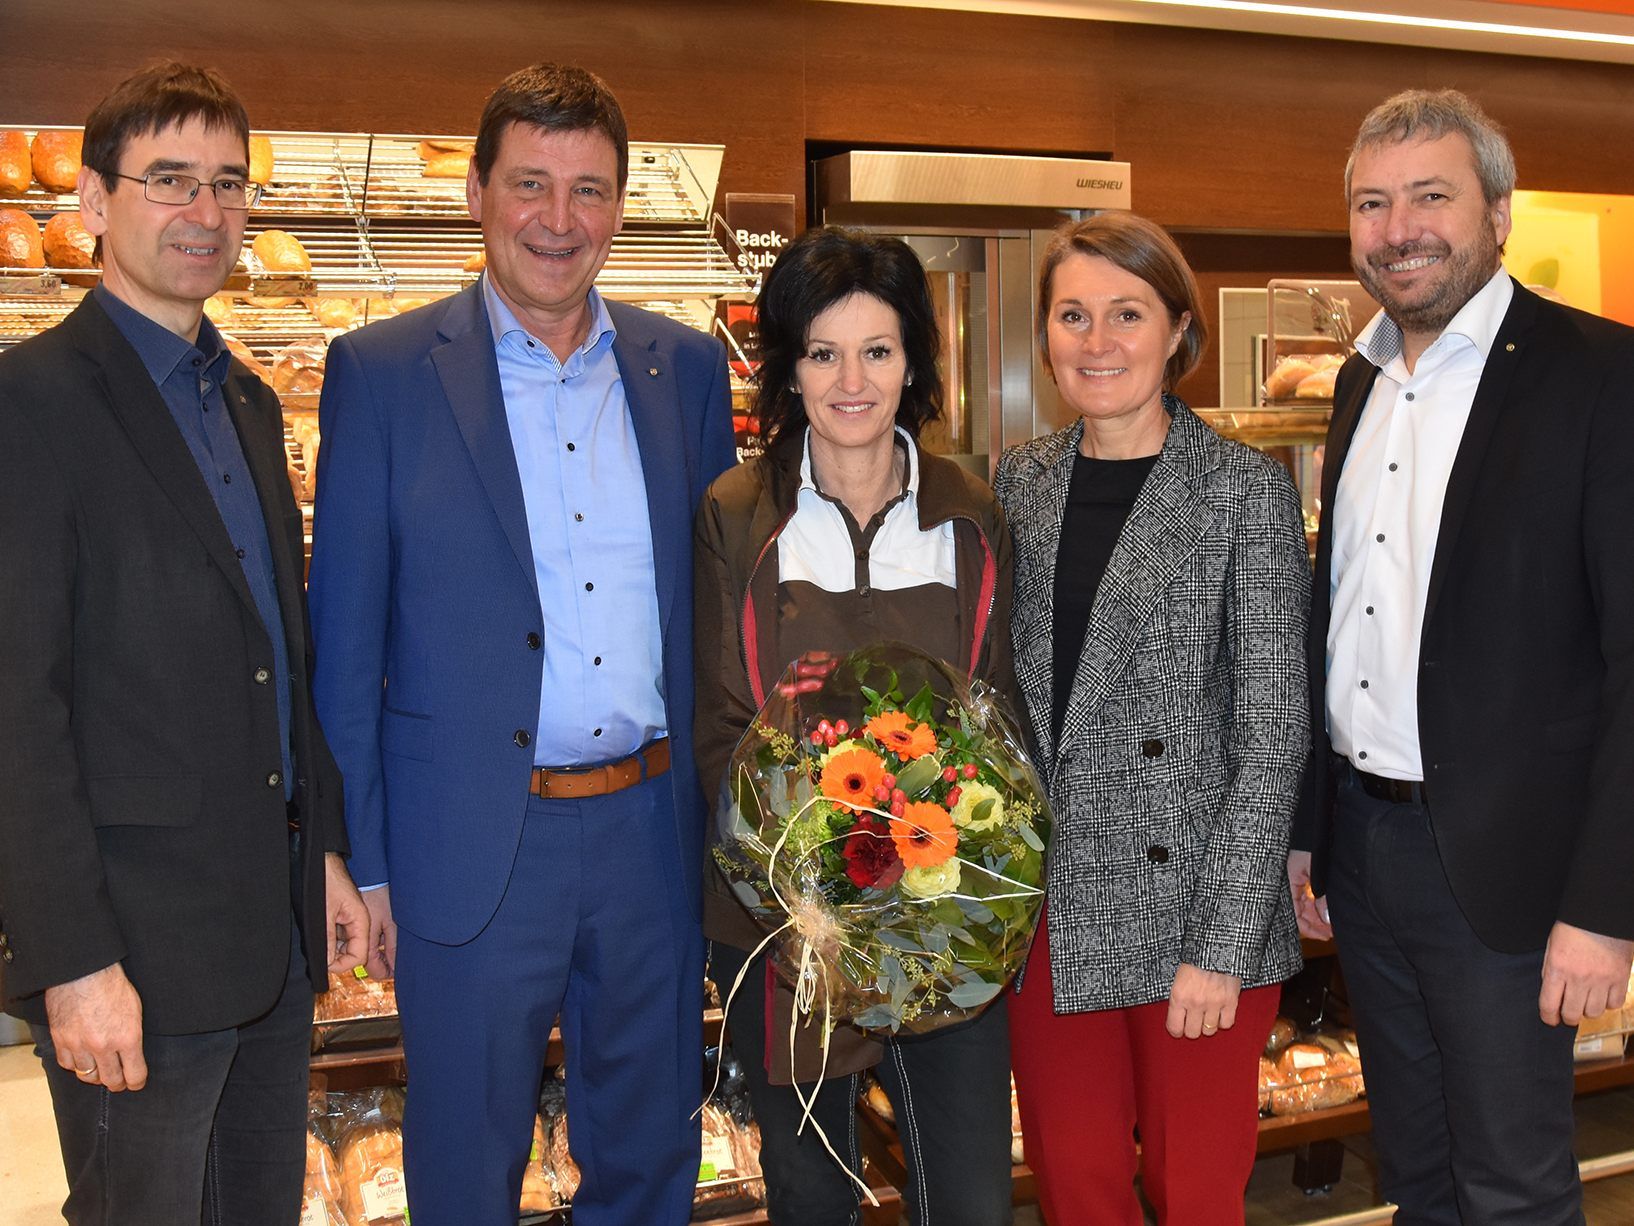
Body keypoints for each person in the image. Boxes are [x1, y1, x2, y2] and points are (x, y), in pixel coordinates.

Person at [308, 62, 735, 1226]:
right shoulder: (385, 372)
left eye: (588, 190)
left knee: (651, 1153)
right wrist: (367, 857)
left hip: (651, 833)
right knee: (465, 1163)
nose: (559, 220)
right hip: (468, 843)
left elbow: (714, 614)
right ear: (479, 194)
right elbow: (344, 636)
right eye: (531, 185)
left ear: (620, 204)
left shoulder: (683, 369)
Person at [0, 62, 368, 1226]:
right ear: (96, 204)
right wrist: (70, 959)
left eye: (226, 184)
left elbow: (279, 656)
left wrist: (322, 852)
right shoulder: (33, 404)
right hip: (132, 959)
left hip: (266, 943)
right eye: (170, 181)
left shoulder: (249, 403)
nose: (205, 214)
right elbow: (16, 705)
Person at [1289, 88, 1634, 1224]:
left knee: (1514, 1185)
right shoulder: (1355, 383)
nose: (1399, 229)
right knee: (1417, 1172)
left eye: (1429, 197)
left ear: (1495, 210)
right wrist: (1312, 834)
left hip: (1508, 870)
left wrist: (1602, 905)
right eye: (1372, 204)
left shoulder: (1598, 376)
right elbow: (1340, 623)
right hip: (1368, 850)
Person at [693, 225, 1018, 1226]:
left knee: (965, 1196)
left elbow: (996, 718)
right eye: (823, 352)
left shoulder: (966, 510)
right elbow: (721, 723)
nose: (850, 380)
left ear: (912, 359)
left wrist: (965, 868)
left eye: (875, 350)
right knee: (810, 1194)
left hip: (943, 921)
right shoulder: (739, 514)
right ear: (788, 366)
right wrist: (801, 877)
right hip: (787, 927)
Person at [994, 212, 1309, 1225]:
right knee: (1075, 1187)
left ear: (1177, 329)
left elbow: (1272, 737)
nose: (1097, 341)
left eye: (1125, 313)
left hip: (1197, 918)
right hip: (1051, 913)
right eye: (1072, 315)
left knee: (1194, 1197)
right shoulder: (1017, 483)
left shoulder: (1241, 493)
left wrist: (1218, 944)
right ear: (1042, 335)